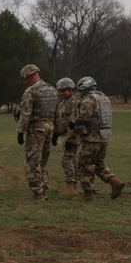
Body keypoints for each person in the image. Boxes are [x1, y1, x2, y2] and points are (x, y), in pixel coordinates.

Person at [74, 76, 125, 200]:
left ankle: (87, 194)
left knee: (84, 165)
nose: (80, 92)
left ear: (84, 88)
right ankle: (114, 183)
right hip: (104, 137)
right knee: (99, 164)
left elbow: (85, 117)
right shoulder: (104, 98)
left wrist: (74, 121)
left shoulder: (88, 100)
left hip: (91, 138)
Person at [16, 64, 59, 200]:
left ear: (29, 76)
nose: (24, 81)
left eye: (24, 78)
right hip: (50, 128)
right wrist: (57, 131)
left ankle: (38, 192)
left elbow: (26, 113)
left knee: (33, 160)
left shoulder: (31, 91)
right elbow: (58, 112)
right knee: (43, 160)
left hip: (36, 129)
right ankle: (44, 187)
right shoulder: (52, 90)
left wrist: (20, 131)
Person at [53, 77, 82, 195]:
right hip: (65, 135)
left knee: (66, 160)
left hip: (72, 137)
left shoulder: (75, 102)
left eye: (64, 90)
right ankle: (74, 187)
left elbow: (73, 122)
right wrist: (56, 133)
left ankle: (70, 187)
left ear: (70, 89)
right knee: (73, 161)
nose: (62, 93)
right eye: (60, 91)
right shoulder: (65, 102)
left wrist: (70, 138)